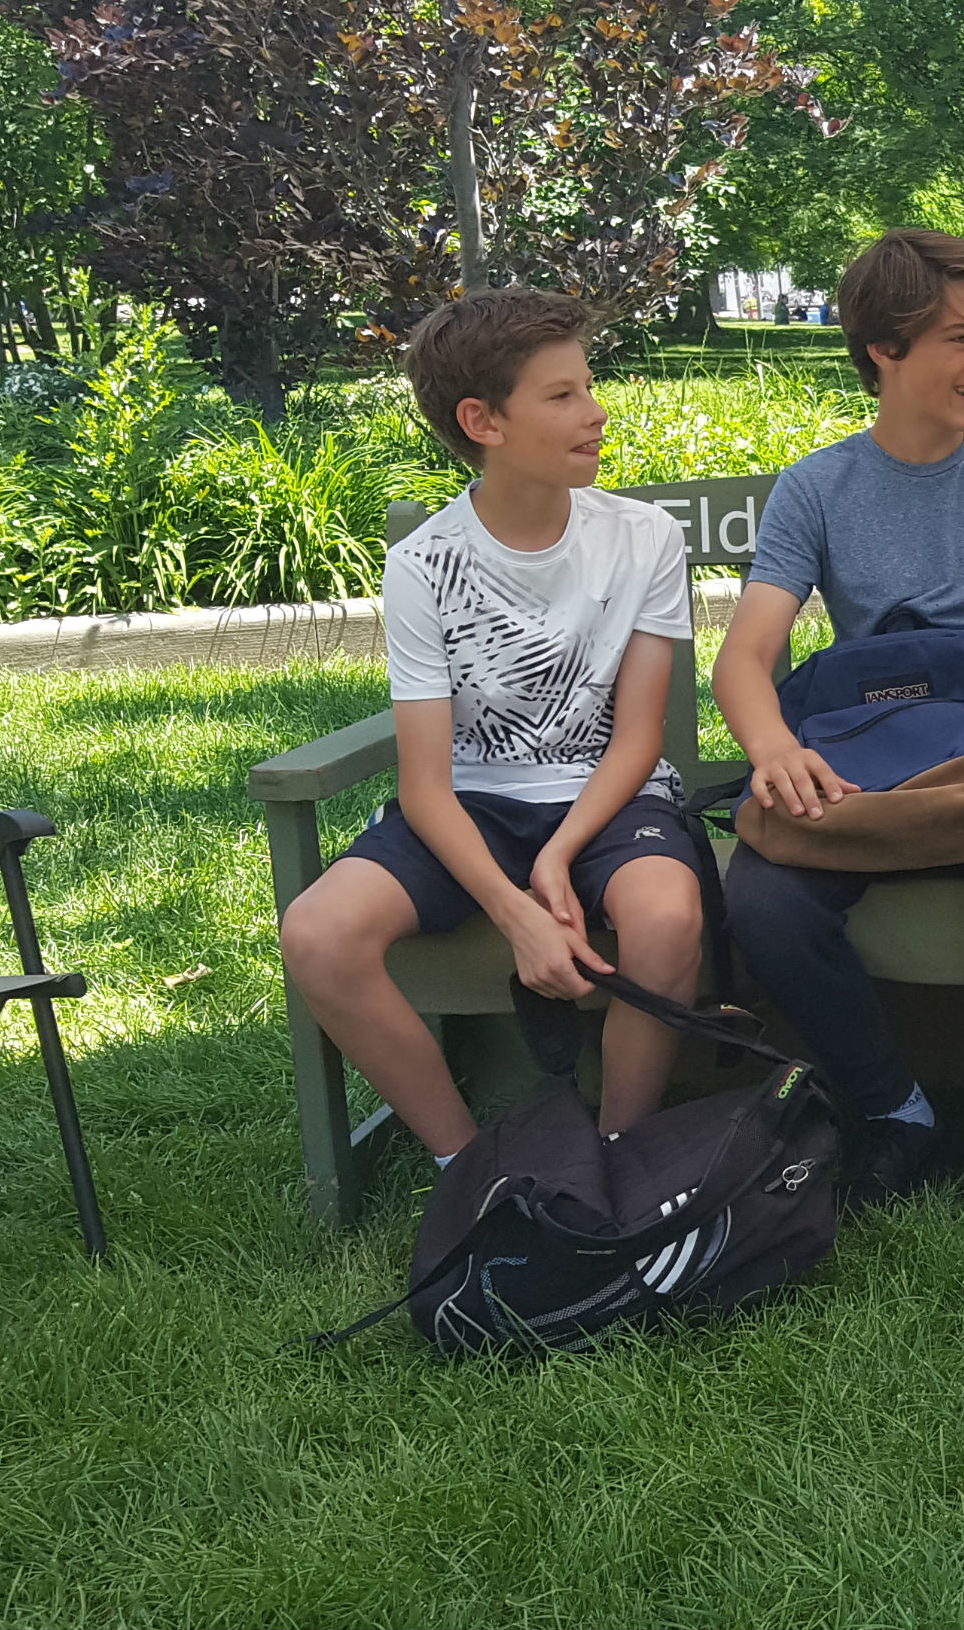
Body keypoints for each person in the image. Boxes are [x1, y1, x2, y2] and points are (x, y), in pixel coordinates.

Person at [712, 228, 964, 1244]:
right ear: (883, 350)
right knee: (762, 900)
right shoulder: (817, 488)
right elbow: (745, 658)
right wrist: (775, 750)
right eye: (956, 339)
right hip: (866, 768)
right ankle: (895, 1112)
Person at [279, 290, 707, 1165]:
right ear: (484, 420)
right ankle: (468, 1165)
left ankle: (617, 1155)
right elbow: (426, 786)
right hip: (472, 805)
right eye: (562, 396)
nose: (595, 412)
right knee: (318, 933)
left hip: (610, 797)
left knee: (664, 918)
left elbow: (638, 738)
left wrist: (556, 855)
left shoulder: (645, 538)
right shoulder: (424, 565)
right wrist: (516, 912)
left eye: (588, 386)